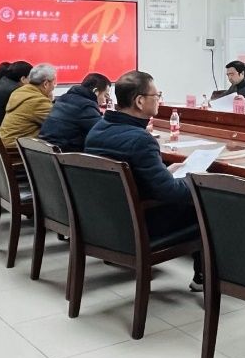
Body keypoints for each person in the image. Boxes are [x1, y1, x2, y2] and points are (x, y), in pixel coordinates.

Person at [84, 71, 202, 290]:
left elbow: (137, 175)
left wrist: (164, 172)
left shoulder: (97, 129)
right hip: (138, 226)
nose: (158, 99)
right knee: (202, 205)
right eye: (156, 95)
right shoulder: (141, 140)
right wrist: (195, 181)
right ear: (139, 101)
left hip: (106, 222)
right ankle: (206, 277)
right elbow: (170, 193)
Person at [38, 73, 111, 152]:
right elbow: (102, 133)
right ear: (95, 91)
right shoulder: (86, 106)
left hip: (45, 149)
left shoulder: (63, 98)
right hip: (64, 154)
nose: (104, 100)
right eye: (105, 95)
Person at [0, 63, 57, 150]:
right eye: (54, 83)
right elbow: (57, 124)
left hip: (4, 146)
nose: (54, 86)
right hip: (15, 151)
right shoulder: (37, 101)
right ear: (45, 84)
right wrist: (50, 100)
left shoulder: (19, 92)